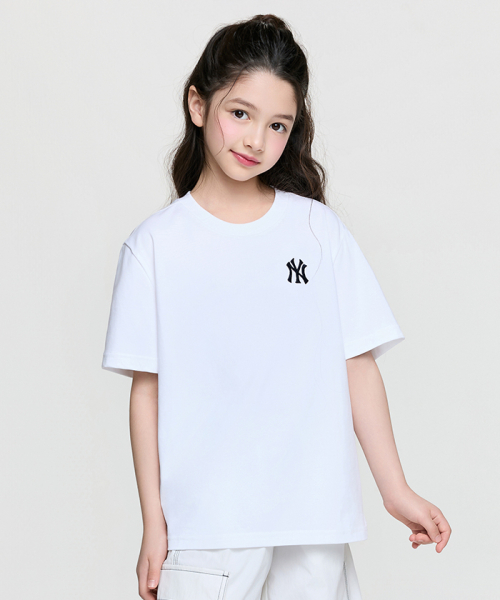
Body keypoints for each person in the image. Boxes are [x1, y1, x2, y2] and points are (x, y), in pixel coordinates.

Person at [101, 13, 451, 600]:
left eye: (278, 125)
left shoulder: (317, 230)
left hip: (314, 523)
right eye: (240, 113)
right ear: (198, 104)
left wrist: (396, 490)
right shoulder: (155, 247)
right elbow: (147, 391)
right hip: (208, 528)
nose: (256, 140)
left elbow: (357, 363)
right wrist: (154, 524)